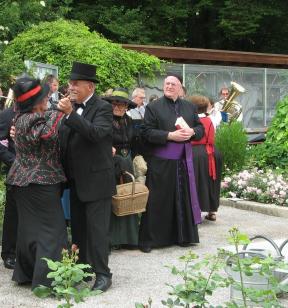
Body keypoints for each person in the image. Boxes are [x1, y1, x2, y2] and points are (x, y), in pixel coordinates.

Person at [6, 76, 67, 290]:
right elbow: (48, 133)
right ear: (37, 101)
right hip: (40, 182)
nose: (48, 98)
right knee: (53, 230)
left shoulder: (21, 117)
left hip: (23, 181)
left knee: (29, 231)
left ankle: (27, 274)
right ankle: (48, 281)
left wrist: (54, 112)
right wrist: (61, 111)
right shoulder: (30, 119)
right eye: (45, 96)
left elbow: (45, 123)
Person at [58, 61, 115, 292]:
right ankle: (82, 270)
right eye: (70, 83)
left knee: (98, 231)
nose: (71, 87)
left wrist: (71, 114)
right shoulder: (70, 108)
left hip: (97, 181)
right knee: (79, 229)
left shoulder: (103, 108)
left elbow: (96, 134)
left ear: (90, 87)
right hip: (75, 180)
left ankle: (103, 274)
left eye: (76, 84)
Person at [138, 75, 204, 253]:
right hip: (161, 162)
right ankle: (151, 240)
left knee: (183, 198)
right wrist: (169, 136)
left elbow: (200, 129)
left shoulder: (189, 107)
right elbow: (146, 132)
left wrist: (192, 131)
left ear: (180, 87)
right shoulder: (153, 107)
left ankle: (183, 237)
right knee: (158, 200)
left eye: (173, 84)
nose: (169, 86)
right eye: (166, 83)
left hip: (184, 161)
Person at [104, 88, 139, 249]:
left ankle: (129, 238)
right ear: (110, 104)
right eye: (116, 104)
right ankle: (112, 239)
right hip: (111, 162)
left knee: (129, 196)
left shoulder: (129, 121)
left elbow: (135, 141)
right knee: (114, 197)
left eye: (123, 104)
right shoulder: (104, 120)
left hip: (127, 161)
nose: (119, 107)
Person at [188, 95, 222, 221]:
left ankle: (195, 211)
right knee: (212, 181)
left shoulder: (192, 120)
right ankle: (212, 211)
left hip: (196, 152)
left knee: (196, 181)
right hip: (212, 152)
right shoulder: (211, 119)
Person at [0, 102, 17, 270]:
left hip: (33, 171)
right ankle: (9, 253)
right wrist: (13, 161)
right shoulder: (6, 115)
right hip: (14, 170)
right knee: (13, 214)